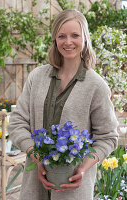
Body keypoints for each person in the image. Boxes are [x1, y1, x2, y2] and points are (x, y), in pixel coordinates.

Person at [8, 9, 119, 200]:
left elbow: (108, 137)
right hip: (33, 189)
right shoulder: (37, 77)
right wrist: (37, 157)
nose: (68, 42)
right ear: (55, 40)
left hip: (74, 190)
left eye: (75, 35)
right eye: (61, 36)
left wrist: (83, 168)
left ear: (85, 38)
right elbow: (17, 123)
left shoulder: (96, 86)